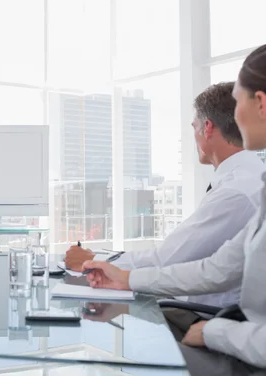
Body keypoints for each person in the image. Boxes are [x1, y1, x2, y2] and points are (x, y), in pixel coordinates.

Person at [80, 44, 266, 374]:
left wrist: (214, 333)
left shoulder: (241, 188)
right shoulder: (260, 185)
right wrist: (125, 278)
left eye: (238, 101)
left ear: (260, 103)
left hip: (238, 341)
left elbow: (179, 260)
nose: (235, 118)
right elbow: (218, 268)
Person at [66, 82, 266, 309]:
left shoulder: (236, 191)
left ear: (207, 127)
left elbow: (167, 260)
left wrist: (92, 262)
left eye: (194, 126)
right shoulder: (245, 179)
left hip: (202, 315)